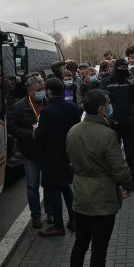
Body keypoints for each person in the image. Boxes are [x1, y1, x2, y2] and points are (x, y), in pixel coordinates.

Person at [67, 90, 134, 267]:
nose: (110, 107)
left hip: (80, 194)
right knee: (99, 250)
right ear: (102, 109)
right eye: (108, 104)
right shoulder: (107, 134)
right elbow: (119, 168)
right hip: (103, 198)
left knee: (80, 245)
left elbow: (71, 160)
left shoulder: (74, 130)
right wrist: (128, 185)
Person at [34, 78, 81, 236]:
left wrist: (35, 130)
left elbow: (41, 135)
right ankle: (74, 220)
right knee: (66, 188)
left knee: (53, 190)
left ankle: (58, 225)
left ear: (49, 92)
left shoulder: (47, 111)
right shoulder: (73, 108)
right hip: (68, 154)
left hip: (51, 157)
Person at [8, 75, 49, 228]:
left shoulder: (48, 102)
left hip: (47, 151)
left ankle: (51, 213)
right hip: (30, 152)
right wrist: (31, 134)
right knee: (32, 186)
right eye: (38, 90)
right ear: (30, 91)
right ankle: (36, 216)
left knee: (49, 184)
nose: (42, 92)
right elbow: (12, 128)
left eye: (43, 89)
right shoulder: (19, 106)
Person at [100, 58, 134, 192]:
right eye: (121, 69)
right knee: (113, 153)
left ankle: (133, 180)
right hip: (113, 123)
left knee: (131, 153)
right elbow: (102, 100)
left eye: (126, 68)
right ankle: (115, 181)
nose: (123, 71)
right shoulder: (106, 81)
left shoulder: (129, 81)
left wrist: (133, 84)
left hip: (129, 122)